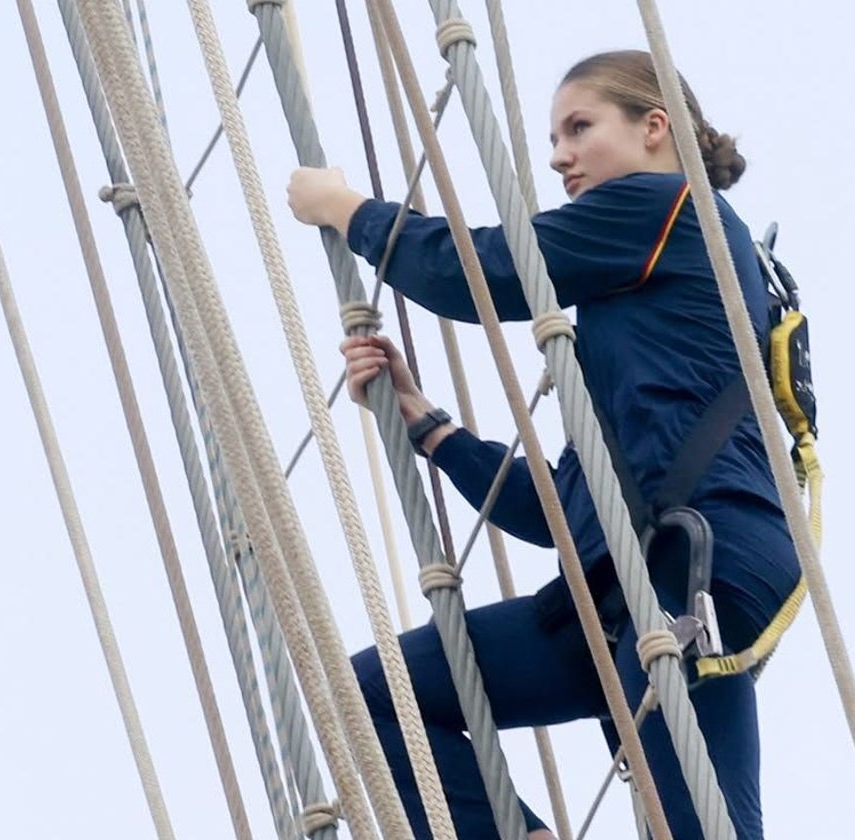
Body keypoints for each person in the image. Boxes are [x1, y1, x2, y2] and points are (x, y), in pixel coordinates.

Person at [287, 49, 801, 840]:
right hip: (618, 587)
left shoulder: (667, 209)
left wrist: (349, 211)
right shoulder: (630, 299)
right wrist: (431, 425)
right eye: (553, 136)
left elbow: (488, 270)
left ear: (655, 128)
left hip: (701, 561)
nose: (558, 155)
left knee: (707, 825)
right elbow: (566, 507)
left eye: (579, 128)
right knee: (371, 696)